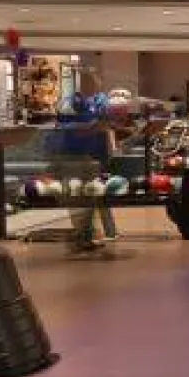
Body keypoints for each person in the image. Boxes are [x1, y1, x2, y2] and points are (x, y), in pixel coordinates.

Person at [53, 71, 116, 252]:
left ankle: (103, 232)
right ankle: (85, 235)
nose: (93, 84)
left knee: (97, 193)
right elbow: (63, 127)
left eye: (95, 81)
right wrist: (91, 128)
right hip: (74, 156)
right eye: (88, 80)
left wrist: (110, 147)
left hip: (97, 156)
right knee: (80, 196)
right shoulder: (69, 102)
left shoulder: (101, 101)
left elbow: (108, 126)